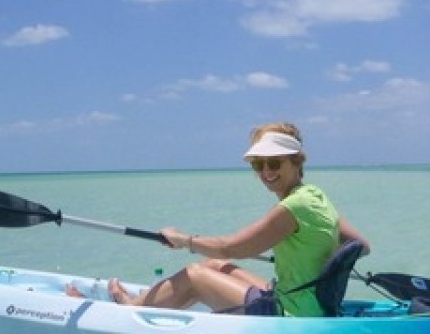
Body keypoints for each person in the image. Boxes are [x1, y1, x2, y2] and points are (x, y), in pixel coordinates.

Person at [97, 122, 370, 317]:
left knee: (194, 275)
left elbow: (233, 248)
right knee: (216, 265)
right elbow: (362, 246)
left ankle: (129, 310)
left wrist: (183, 240)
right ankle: (149, 302)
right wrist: (310, 258)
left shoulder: (293, 206)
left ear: (297, 162)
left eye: (274, 163)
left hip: (292, 313)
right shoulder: (316, 197)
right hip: (305, 299)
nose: (266, 172)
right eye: (258, 164)